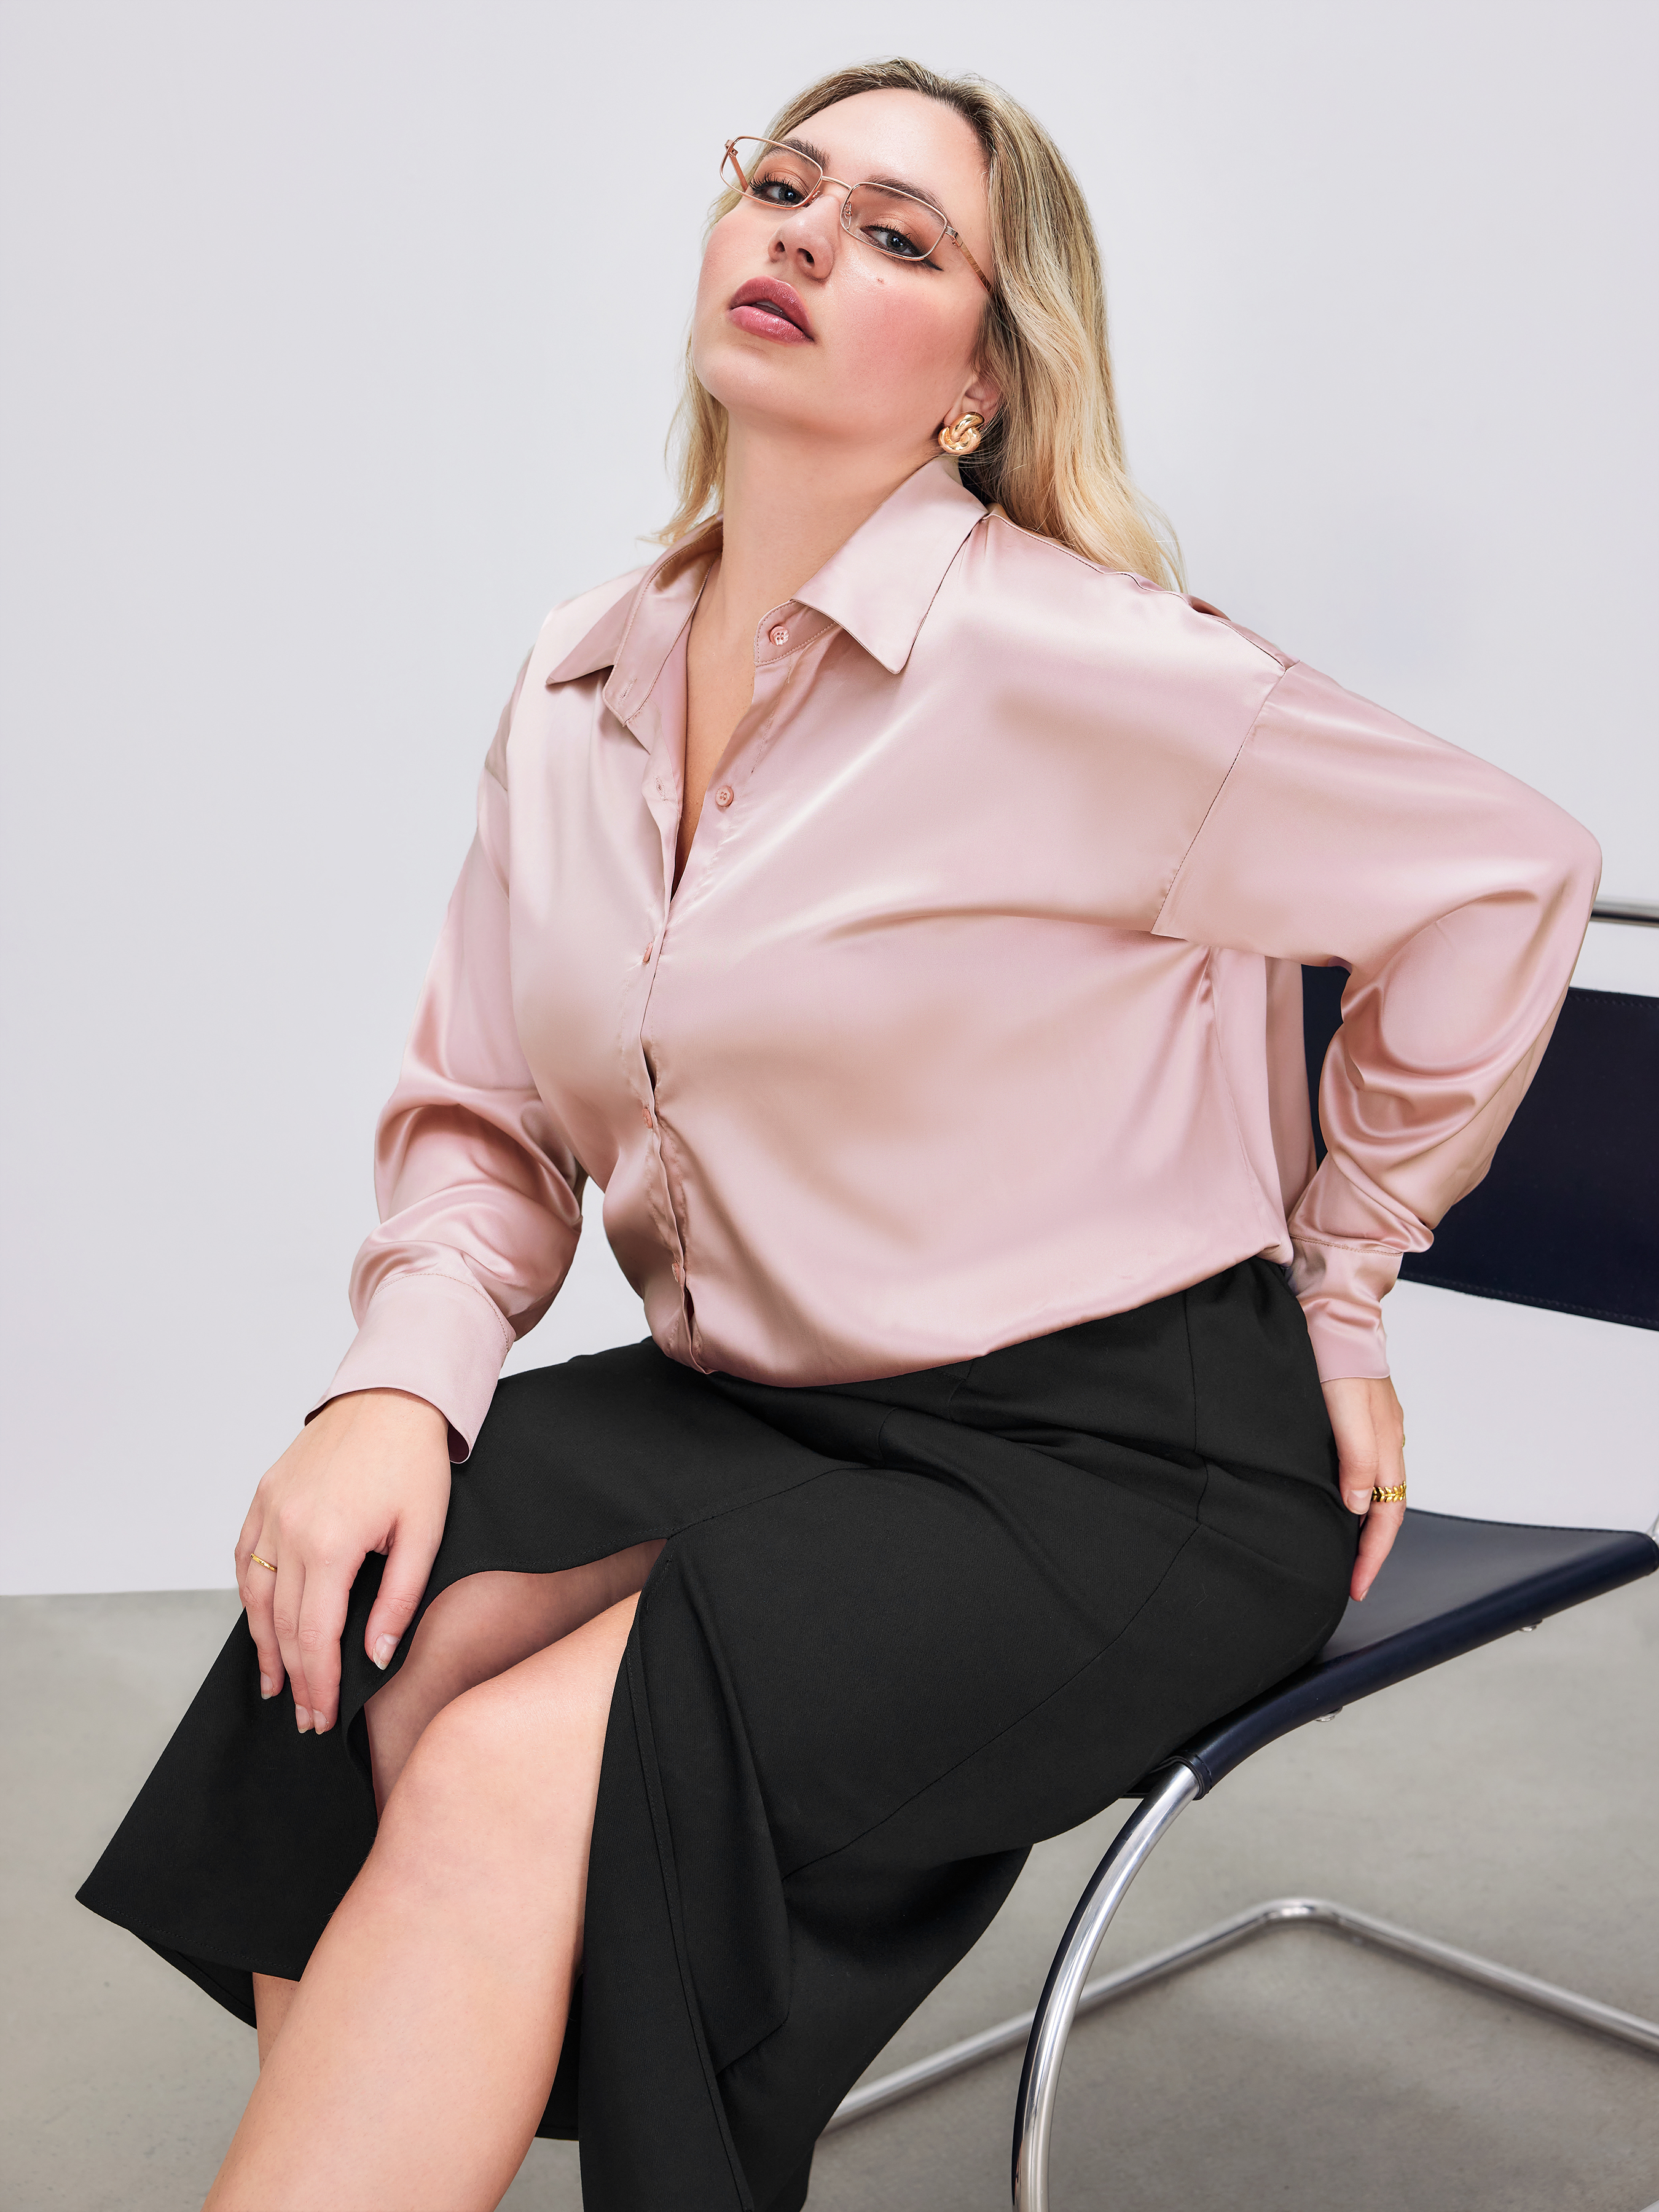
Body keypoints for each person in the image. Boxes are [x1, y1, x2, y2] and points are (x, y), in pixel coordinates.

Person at [79, 56, 1599, 2212]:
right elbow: (488, 1112)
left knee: (522, 1767)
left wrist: (1341, 1279)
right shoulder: (578, 682)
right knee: (349, 1643)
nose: (803, 233)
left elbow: (1504, 874)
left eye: (895, 233)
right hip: (760, 1409)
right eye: (782, 186)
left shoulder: (1077, 665)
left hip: (1118, 1455)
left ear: (981, 379)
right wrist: (392, 1390)